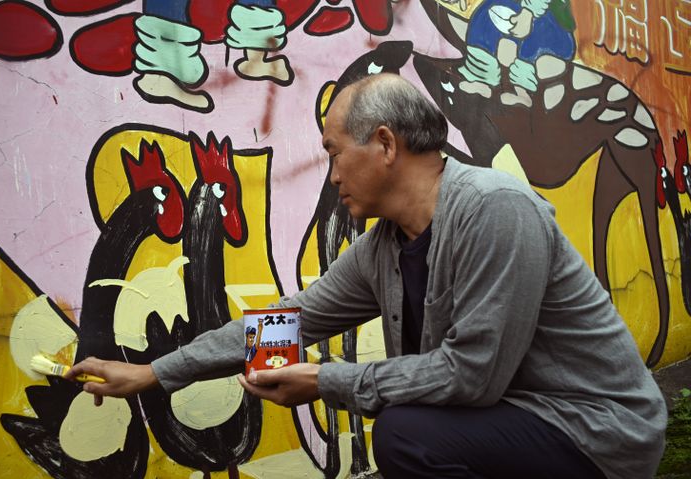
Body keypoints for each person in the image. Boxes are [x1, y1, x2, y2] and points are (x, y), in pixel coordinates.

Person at [68, 73, 666, 479]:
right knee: (410, 432)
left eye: (333, 151)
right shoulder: (385, 244)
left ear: (384, 144)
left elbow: (472, 376)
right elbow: (288, 323)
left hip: (594, 429)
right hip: (515, 419)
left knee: (406, 435)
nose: (330, 174)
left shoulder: (495, 209)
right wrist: (151, 372)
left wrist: (328, 380)